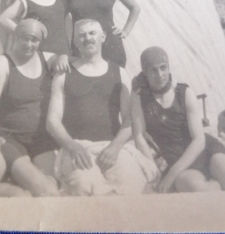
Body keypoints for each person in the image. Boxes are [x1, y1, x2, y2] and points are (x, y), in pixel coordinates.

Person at [46, 19, 158, 195]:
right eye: (82, 35)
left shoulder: (119, 72)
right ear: (75, 42)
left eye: (92, 33)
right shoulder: (64, 74)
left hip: (112, 147)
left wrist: (115, 147)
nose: (88, 38)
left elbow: (130, 117)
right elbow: (52, 121)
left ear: (103, 37)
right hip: (78, 148)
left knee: (131, 183)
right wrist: (73, 147)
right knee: (83, 185)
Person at [130, 46, 225, 192]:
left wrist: (171, 175)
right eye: (153, 70)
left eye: (163, 68)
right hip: (177, 160)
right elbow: (139, 135)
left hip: (204, 149)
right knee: (199, 190)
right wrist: (155, 171)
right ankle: (221, 188)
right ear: (145, 73)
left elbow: (199, 139)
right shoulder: (139, 96)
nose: (160, 74)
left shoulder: (184, 93)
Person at [0, 18, 60, 196]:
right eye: (24, 38)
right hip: (9, 138)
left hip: (40, 140)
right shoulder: (3, 64)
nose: (29, 44)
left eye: (34, 40)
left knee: (55, 184)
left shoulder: (47, 58)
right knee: (45, 190)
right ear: (16, 38)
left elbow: (68, 59)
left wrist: (62, 56)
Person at [0, 0, 72, 73]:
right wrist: (24, 33)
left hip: (59, 60)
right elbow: (3, 19)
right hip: (36, 57)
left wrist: (64, 54)